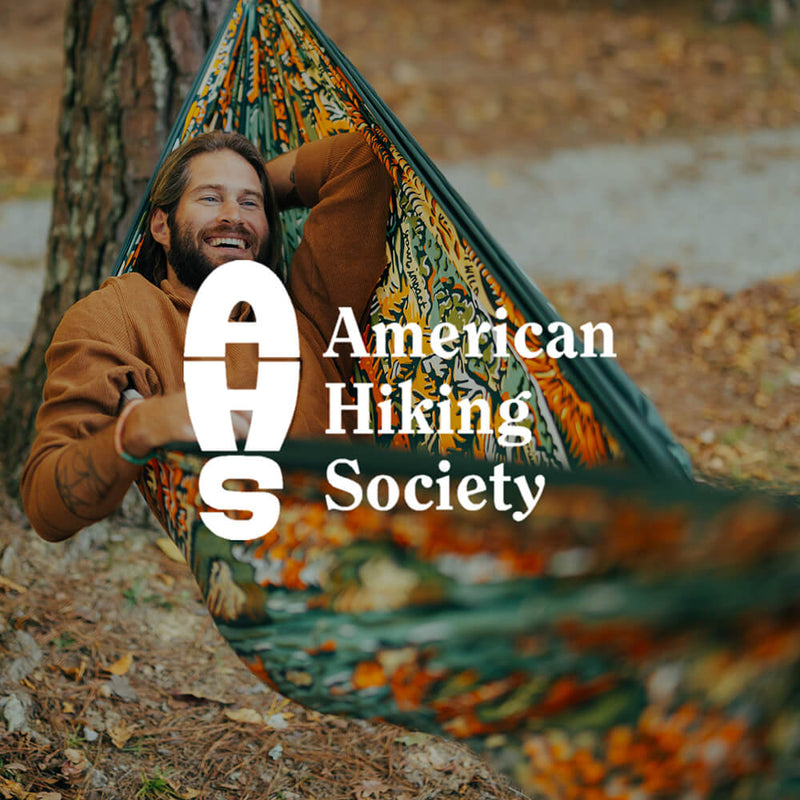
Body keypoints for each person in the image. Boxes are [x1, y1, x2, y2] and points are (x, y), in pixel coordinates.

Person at [21, 130, 392, 543]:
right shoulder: (123, 314)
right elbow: (45, 508)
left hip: (385, 541)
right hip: (271, 566)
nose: (234, 215)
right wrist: (136, 429)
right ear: (161, 225)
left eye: (249, 203)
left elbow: (360, 158)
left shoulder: (309, 313)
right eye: (210, 198)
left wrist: (248, 190)